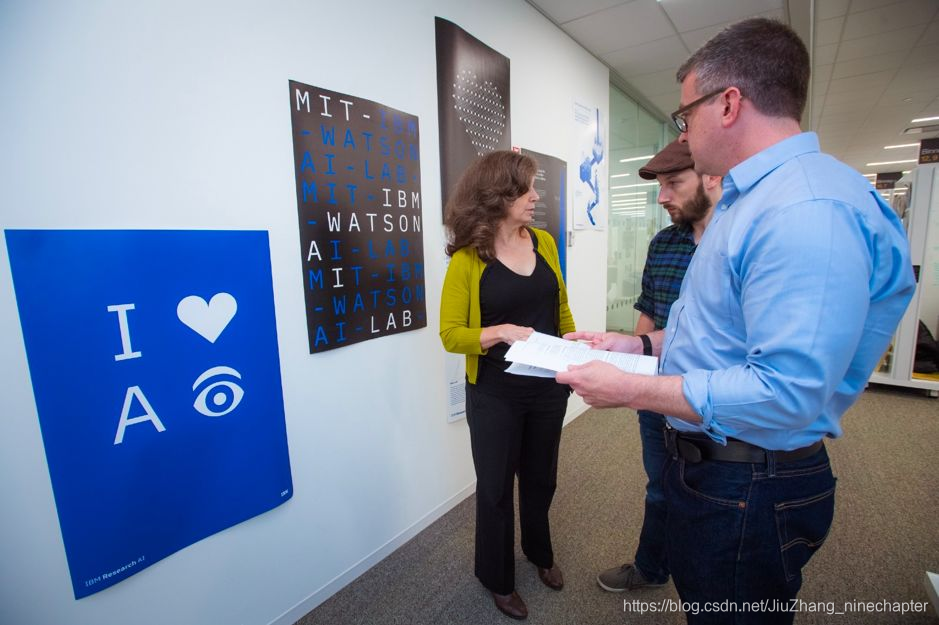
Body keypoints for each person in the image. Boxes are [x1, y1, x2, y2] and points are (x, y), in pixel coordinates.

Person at [558, 17, 914, 625]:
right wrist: (637, 342)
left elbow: (786, 391)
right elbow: (720, 333)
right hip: (716, 468)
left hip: (749, 481)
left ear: (728, 104)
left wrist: (629, 389)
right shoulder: (753, 201)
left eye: (684, 115)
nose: (684, 131)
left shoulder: (805, 209)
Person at [439, 150, 575, 621]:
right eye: (527, 188)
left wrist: (574, 355)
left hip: (546, 389)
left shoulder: (544, 242)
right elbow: (451, 334)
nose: (537, 196)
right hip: (494, 392)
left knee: (541, 478)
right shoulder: (467, 259)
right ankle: (497, 578)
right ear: (498, 194)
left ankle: (540, 553)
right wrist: (499, 332)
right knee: (495, 488)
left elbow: (560, 309)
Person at [597, 139, 721, 593]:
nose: (662, 196)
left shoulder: (735, 242)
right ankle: (652, 567)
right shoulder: (665, 242)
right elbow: (649, 313)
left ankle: (704, 575)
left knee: (712, 494)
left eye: (674, 183)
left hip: (714, 396)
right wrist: (633, 370)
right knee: (661, 483)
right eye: (660, 185)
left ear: (711, 177)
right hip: (656, 391)